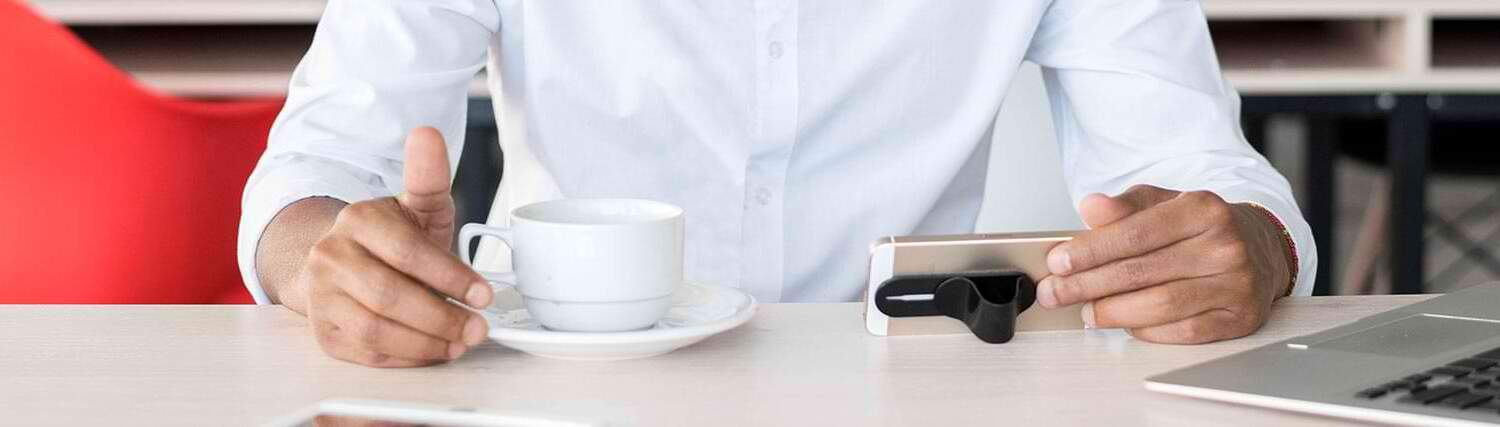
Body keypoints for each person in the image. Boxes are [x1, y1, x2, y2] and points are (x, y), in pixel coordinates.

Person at [240, 0, 1317, 368]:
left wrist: (1250, 247)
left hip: (905, 392)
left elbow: (1199, 175)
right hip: (561, 391)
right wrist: (329, 258)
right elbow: (310, 173)